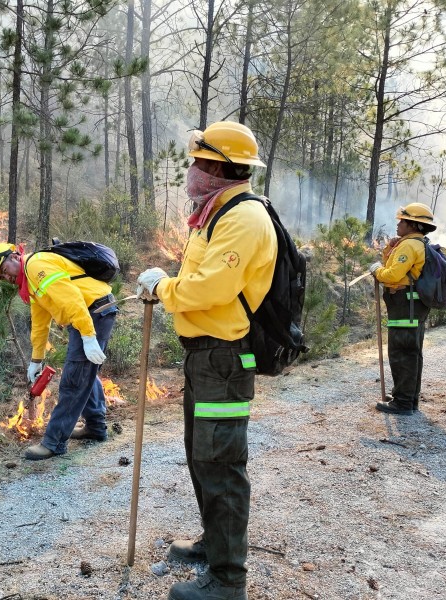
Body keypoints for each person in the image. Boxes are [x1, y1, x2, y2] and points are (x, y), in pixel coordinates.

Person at [136, 121, 277, 600]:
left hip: (224, 358)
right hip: (204, 358)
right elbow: (200, 275)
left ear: (221, 166)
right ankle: (212, 545)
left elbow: (212, 289)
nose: (192, 170)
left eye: (199, 161)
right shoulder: (215, 211)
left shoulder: (244, 218)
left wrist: (163, 288)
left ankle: (227, 581)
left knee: (220, 464)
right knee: (203, 457)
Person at [0, 241, 118, 460]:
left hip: (93, 311)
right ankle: (95, 427)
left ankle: (54, 443)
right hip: (89, 313)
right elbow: (40, 322)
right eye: (2, 277)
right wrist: (36, 359)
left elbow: (71, 298)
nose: (7, 278)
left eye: (5, 271)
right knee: (84, 373)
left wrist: (88, 335)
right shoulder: (31, 282)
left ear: (15, 257)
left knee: (74, 379)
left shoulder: (36, 266)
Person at [369, 203, 436, 416]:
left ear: (412, 224)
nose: (398, 224)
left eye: (402, 221)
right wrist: (390, 248)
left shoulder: (409, 247)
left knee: (401, 352)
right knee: (412, 352)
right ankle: (408, 398)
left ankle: (403, 403)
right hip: (413, 306)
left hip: (405, 306)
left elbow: (391, 275)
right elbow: (395, 267)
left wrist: (376, 271)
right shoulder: (415, 244)